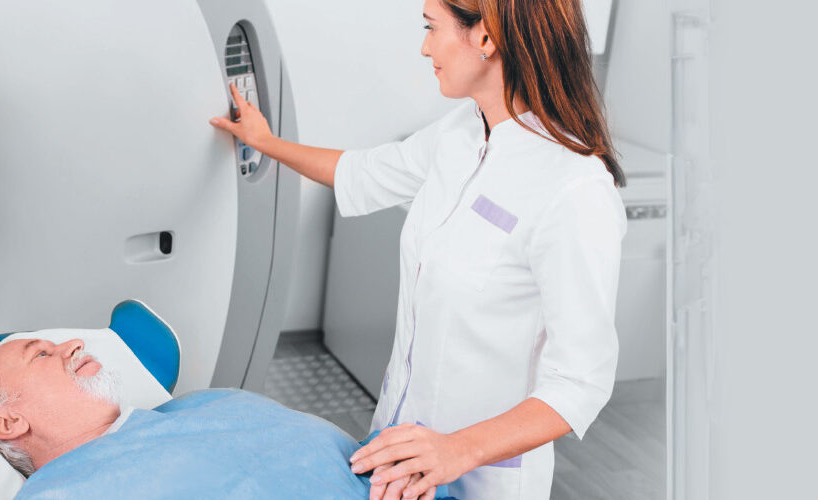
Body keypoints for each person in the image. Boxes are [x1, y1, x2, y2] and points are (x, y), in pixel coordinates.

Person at [208, 0, 624, 499]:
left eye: (432, 28)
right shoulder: (460, 134)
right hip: (397, 448)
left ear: (487, 37)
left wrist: (456, 450)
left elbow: (581, 382)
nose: (425, 46)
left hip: (481, 475)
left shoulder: (573, 188)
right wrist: (264, 142)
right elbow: (358, 172)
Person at [0, 338, 454, 499]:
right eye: (42, 355)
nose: (73, 344)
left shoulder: (213, 402)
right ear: (8, 423)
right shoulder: (62, 493)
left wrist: (404, 462)